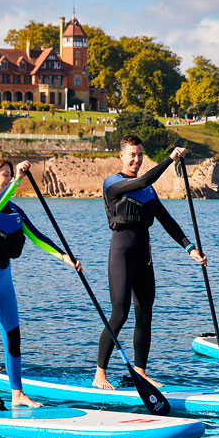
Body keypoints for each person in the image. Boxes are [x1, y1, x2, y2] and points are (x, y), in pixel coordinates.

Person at [0, 157, 81, 415]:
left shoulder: (14, 212)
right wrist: (18, 180)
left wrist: (65, 257)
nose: (8, 178)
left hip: (3, 281)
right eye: (4, 174)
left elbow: (37, 236)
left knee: (13, 338)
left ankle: (17, 394)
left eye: (9, 174)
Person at [92, 135, 207, 389]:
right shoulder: (112, 183)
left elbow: (167, 220)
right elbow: (143, 179)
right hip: (121, 256)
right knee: (120, 313)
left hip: (144, 258)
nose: (136, 159)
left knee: (145, 315)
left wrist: (189, 248)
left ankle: (141, 371)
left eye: (140, 155)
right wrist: (170, 159)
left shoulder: (149, 190)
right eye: (132, 154)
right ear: (121, 156)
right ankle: (99, 374)